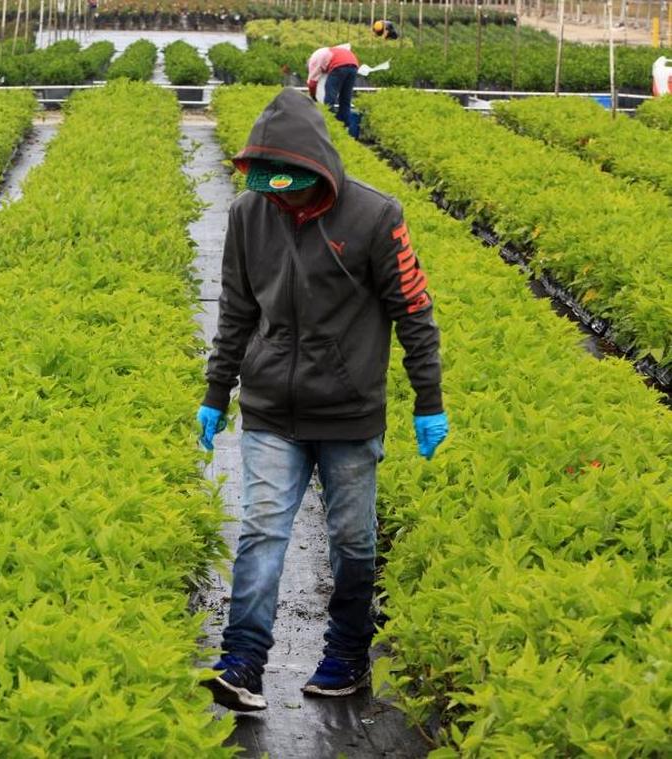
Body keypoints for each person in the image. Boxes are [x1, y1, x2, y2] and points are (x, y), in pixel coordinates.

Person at [196, 88, 448, 711]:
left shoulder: (374, 216)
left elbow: (413, 311)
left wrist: (428, 399)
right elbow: (235, 312)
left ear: (319, 171)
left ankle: (346, 652)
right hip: (271, 409)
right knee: (260, 531)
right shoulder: (247, 216)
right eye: (271, 185)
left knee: (353, 541)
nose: (281, 197)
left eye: (292, 185)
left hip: (347, 411)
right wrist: (216, 389)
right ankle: (243, 661)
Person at [306, 44, 360, 126]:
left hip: (339, 64)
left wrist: (313, 97)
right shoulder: (324, 53)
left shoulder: (313, 62)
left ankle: (329, 122)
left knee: (330, 97)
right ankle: (345, 125)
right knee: (345, 98)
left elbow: (312, 83)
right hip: (353, 64)